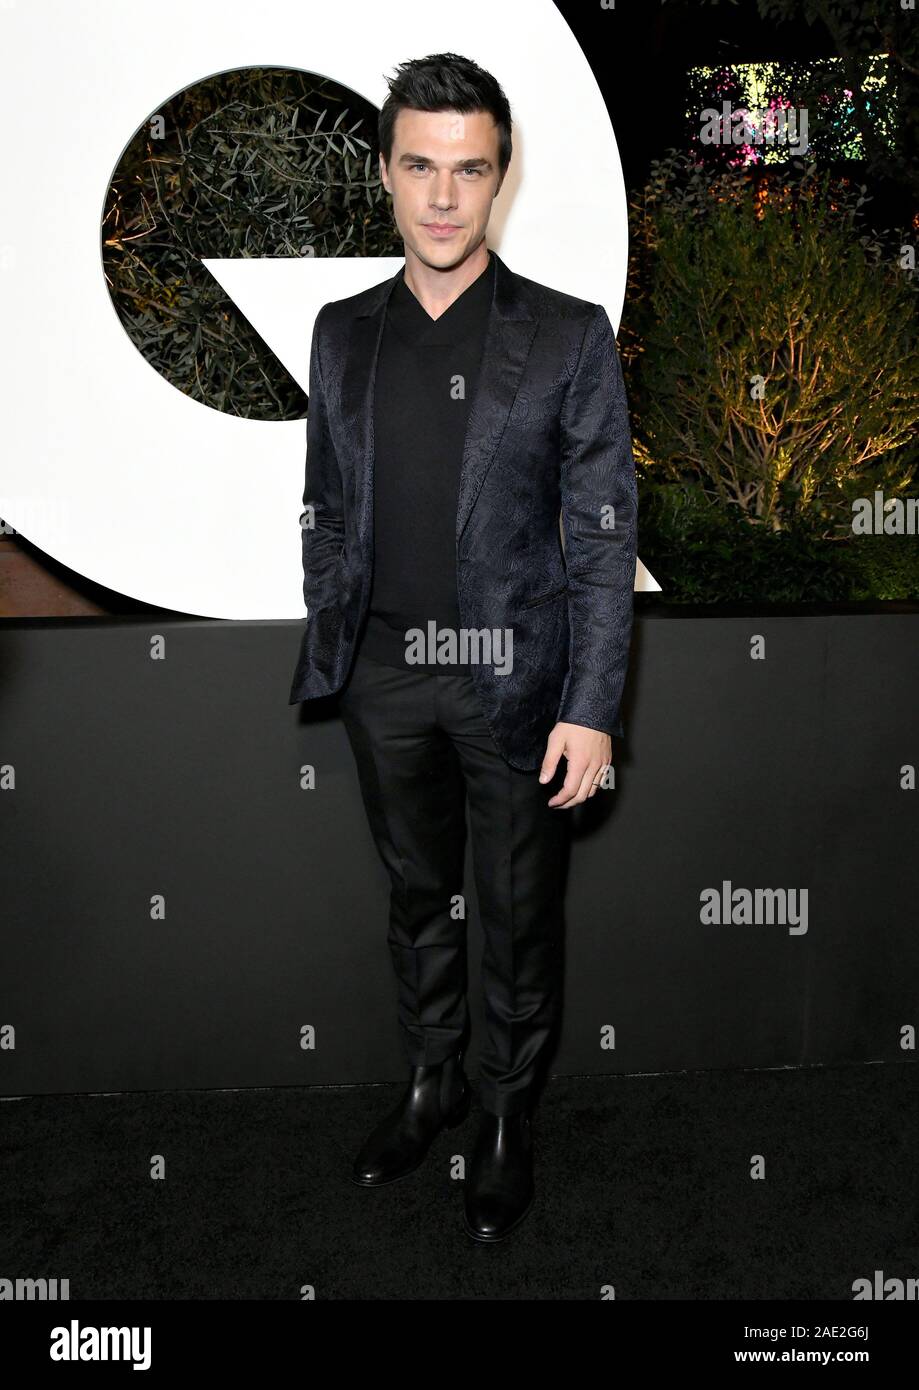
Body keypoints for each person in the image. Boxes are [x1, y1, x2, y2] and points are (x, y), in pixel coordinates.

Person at [288, 52, 638, 1242]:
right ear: (386, 174)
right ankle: (432, 1080)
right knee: (416, 899)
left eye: (469, 170)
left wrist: (590, 707)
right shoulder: (341, 334)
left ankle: (501, 1114)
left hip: (517, 685)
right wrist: (334, 611)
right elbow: (327, 502)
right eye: (420, 167)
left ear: (499, 180)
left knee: (516, 908)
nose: (443, 196)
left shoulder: (566, 336)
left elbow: (600, 539)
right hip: (382, 678)